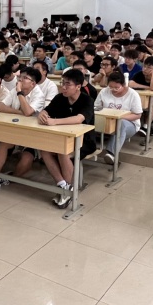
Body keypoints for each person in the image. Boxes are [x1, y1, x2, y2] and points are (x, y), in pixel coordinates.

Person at [37, 69, 96, 209]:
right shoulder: (60, 98)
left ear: (78, 86)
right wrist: (42, 114)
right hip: (63, 138)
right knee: (44, 150)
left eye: (67, 84)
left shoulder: (87, 100)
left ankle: (68, 191)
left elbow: (79, 119)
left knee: (63, 151)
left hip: (84, 141)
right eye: (62, 83)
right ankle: (64, 186)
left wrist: (55, 122)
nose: (63, 87)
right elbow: (47, 110)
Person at [0, 67, 47, 188]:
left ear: (33, 83)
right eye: (20, 77)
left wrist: (20, 93)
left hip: (33, 134)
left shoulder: (39, 95)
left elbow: (28, 112)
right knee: (3, 144)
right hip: (16, 130)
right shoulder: (15, 90)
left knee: (26, 160)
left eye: (25, 78)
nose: (20, 80)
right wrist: (18, 112)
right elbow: (1, 107)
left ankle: (10, 179)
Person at [94, 71, 142, 165]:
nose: (113, 90)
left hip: (129, 124)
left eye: (117, 87)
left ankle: (111, 153)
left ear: (123, 85)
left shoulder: (133, 94)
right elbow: (96, 107)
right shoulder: (104, 91)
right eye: (111, 87)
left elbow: (137, 115)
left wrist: (119, 118)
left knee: (121, 123)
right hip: (108, 122)